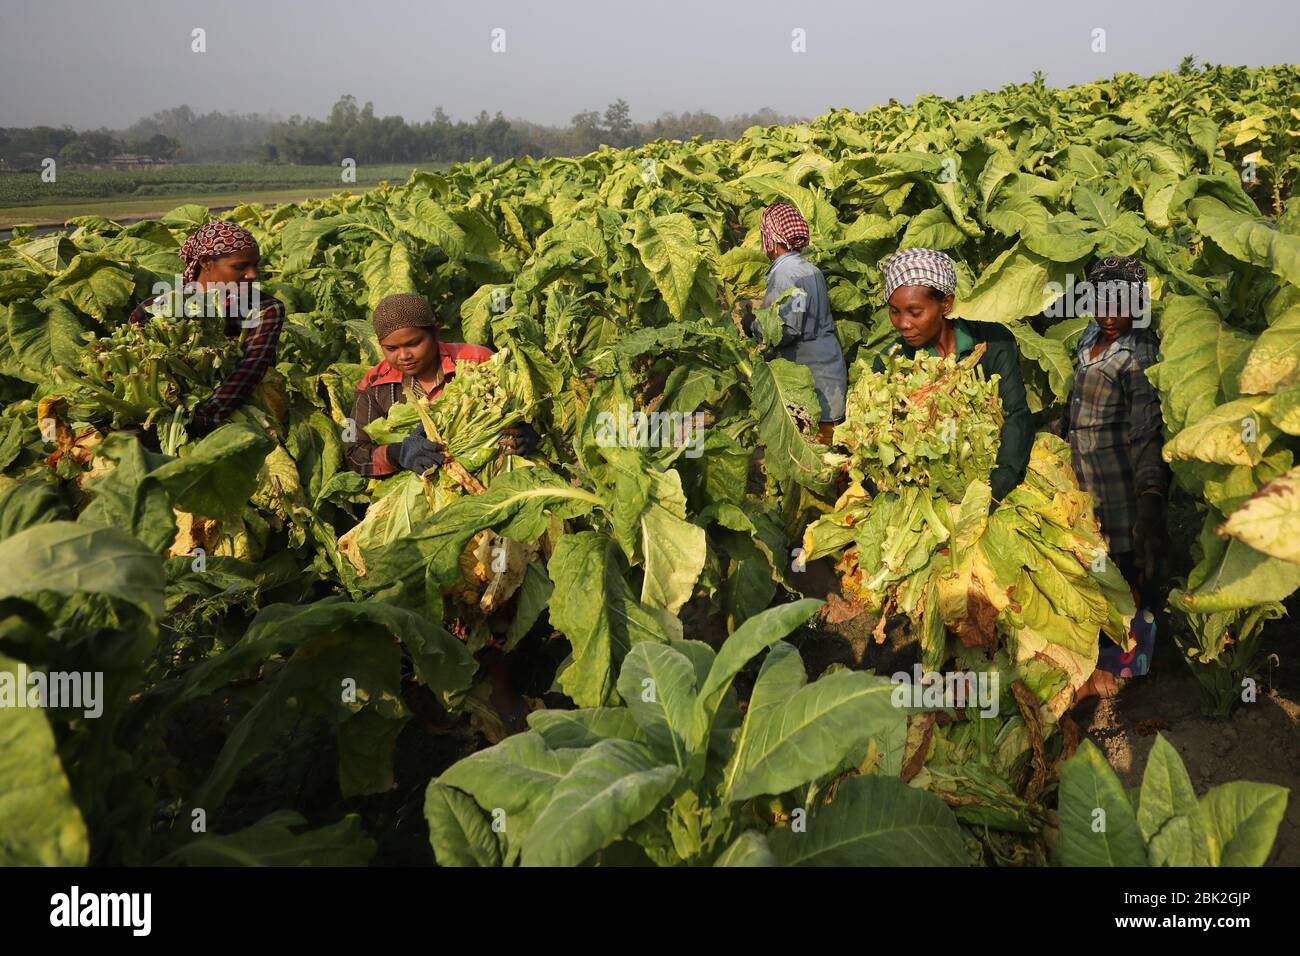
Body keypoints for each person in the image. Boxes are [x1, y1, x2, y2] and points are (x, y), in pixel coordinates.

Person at [1061, 256, 1167, 701]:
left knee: (1128, 570)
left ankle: (1128, 668)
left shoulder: (1139, 352)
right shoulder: (1091, 337)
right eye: (1099, 301)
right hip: (1085, 478)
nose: (1107, 313)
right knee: (1096, 567)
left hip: (1120, 481)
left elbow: (1146, 427)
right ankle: (1105, 656)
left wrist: (1150, 495)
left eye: (1119, 303)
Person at [876, 247, 1033, 503]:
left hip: (995, 482)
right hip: (924, 496)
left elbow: (1016, 414)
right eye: (894, 311)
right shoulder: (892, 362)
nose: (903, 323)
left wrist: (996, 486)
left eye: (915, 313)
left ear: (945, 304)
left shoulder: (993, 343)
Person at [344, 292, 538, 477]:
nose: (404, 356)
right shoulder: (373, 384)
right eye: (391, 349)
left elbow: (530, 412)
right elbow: (353, 450)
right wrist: (398, 454)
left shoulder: (479, 360)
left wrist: (529, 434)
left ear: (435, 333)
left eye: (413, 343)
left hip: (493, 480)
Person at [127, 220, 284, 438]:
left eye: (255, 264)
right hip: (155, 421)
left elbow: (248, 371)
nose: (252, 274)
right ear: (206, 262)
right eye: (240, 266)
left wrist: (194, 423)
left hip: (238, 417)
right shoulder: (152, 310)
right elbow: (133, 370)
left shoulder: (265, 309)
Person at [740, 203, 848, 444]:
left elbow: (786, 329)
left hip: (808, 377)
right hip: (828, 368)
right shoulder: (811, 269)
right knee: (835, 453)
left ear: (771, 240)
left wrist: (752, 324)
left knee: (812, 455)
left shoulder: (785, 274)